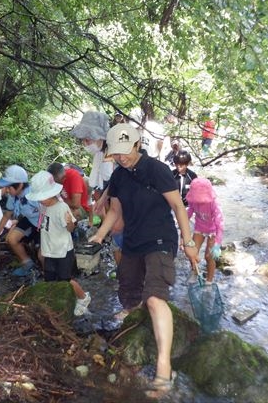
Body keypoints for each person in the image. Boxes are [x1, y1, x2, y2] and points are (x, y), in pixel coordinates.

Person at [89, 123, 195, 399]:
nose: (122, 157)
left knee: (155, 298)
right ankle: (133, 325)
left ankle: (163, 365)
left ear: (137, 145)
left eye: (126, 151)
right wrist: (99, 235)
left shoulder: (157, 170)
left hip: (160, 239)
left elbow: (178, 207)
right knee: (128, 291)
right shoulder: (120, 175)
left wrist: (189, 241)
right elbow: (115, 210)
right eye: (117, 153)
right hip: (134, 242)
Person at [26, 171, 91, 316]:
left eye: (43, 197)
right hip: (49, 249)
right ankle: (59, 301)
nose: (40, 200)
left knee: (66, 279)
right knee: (50, 278)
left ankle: (83, 297)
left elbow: (70, 229)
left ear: (51, 193)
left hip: (63, 250)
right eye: (39, 198)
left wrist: (69, 222)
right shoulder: (44, 205)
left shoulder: (61, 207)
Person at [69, 111, 121, 263]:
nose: (85, 143)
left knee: (121, 241)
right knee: (117, 242)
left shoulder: (115, 154)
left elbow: (116, 184)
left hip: (122, 206)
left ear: (100, 137)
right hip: (111, 204)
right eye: (83, 140)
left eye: (88, 139)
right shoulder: (101, 153)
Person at [0, 165, 41, 277]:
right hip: (30, 221)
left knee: (42, 255)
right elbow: (7, 215)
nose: (6, 190)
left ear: (20, 185)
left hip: (44, 223)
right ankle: (27, 263)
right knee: (11, 239)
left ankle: (48, 275)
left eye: (9, 188)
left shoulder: (34, 194)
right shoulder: (13, 196)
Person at [186, 177, 224, 283]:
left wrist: (217, 244)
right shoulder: (194, 201)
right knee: (192, 252)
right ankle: (195, 272)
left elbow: (220, 224)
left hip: (213, 231)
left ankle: (209, 281)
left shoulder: (214, 204)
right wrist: (180, 220)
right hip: (199, 228)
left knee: (209, 257)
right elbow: (190, 211)